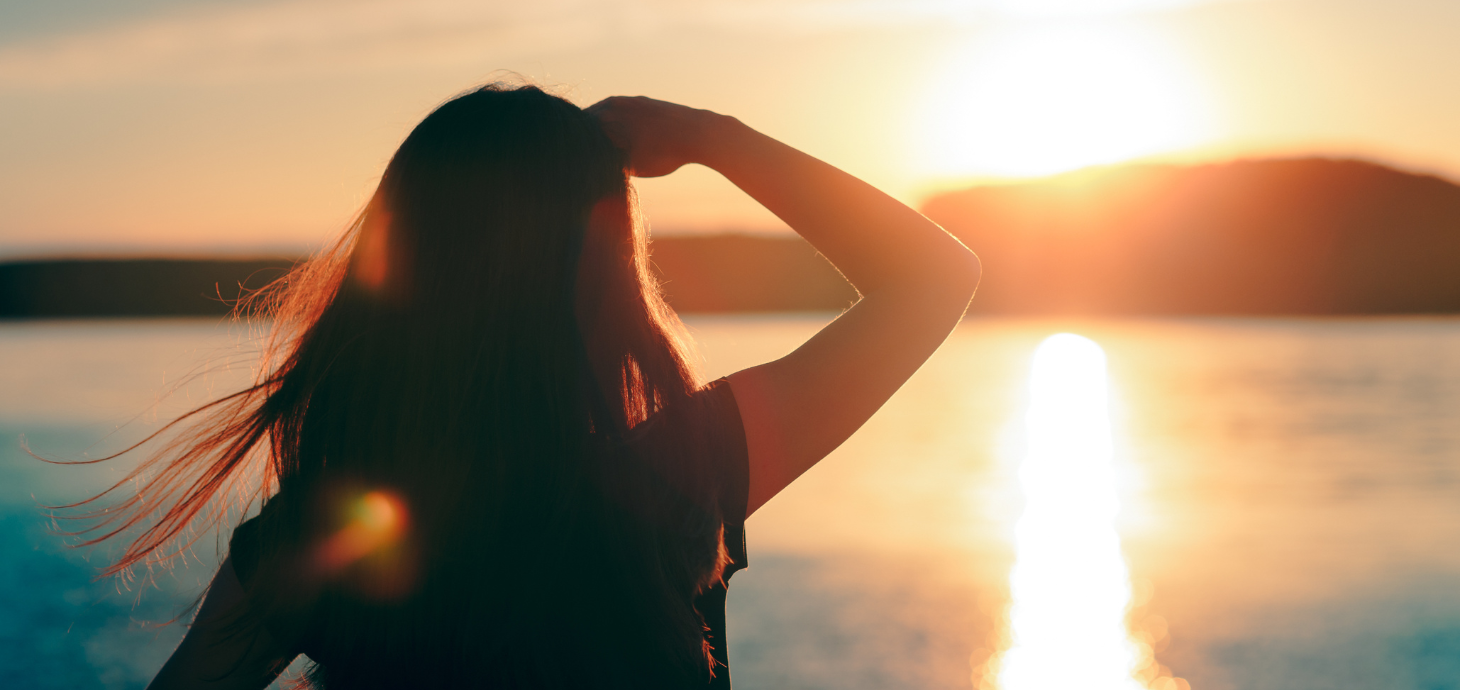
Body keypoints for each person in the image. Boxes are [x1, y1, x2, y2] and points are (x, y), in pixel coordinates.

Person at [76, 83, 979, 689]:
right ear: (603, 280)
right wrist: (710, 137)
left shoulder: (314, 544)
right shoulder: (671, 478)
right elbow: (934, 280)